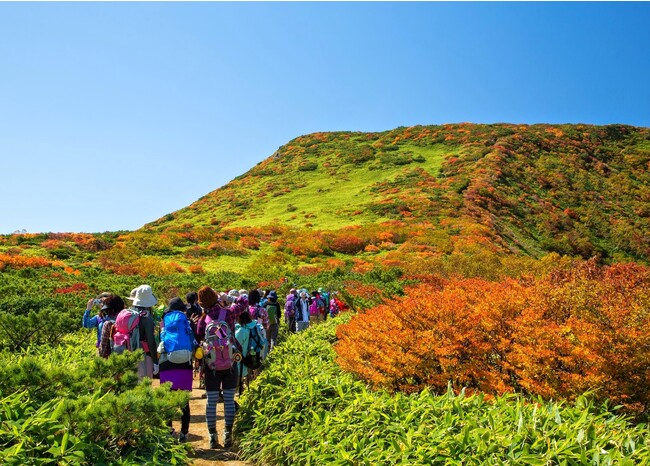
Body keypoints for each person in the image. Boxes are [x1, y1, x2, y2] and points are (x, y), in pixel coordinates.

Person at [199, 286, 239, 449]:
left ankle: (212, 437)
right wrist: (228, 298)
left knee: (212, 401)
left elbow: (200, 339)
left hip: (211, 365)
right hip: (230, 362)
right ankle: (228, 435)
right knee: (229, 400)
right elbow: (243, 302)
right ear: (216, 298)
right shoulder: (228, 313)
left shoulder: (203, 320)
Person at [159, 297, 194, 443]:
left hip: (167, 363)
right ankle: (184, 433)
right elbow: (192, 340)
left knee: (167, 400)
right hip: (185, 363)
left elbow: (160, 340)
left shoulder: (164, 323)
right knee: (184, 401)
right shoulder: (186, 322)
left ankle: (169, 432)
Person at [126, 284, 159, 379]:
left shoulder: (130, 313)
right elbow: (151, 342)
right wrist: (155, 361)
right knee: (144, 385)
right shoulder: (146, 317)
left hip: (130, 352)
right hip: (144, 355)